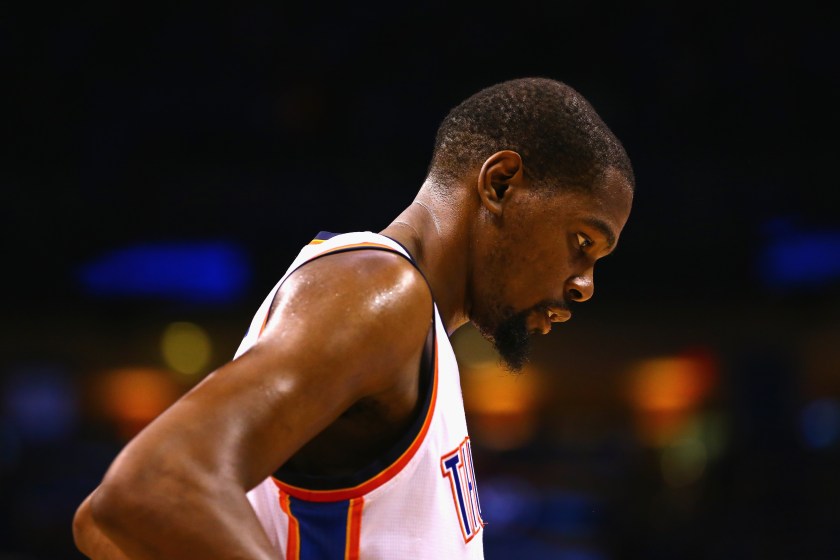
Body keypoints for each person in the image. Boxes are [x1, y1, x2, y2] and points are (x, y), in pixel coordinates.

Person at [72, 77, 634, 559]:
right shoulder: (379, 294)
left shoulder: (413, 332)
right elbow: (150, 486)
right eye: (581, 242)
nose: (585, 286)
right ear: (500, 182)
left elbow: (105, 529)